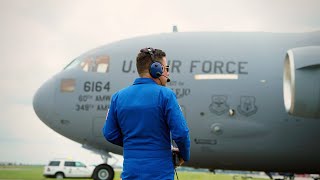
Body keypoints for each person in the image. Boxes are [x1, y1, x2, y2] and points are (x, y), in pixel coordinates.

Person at [102, 47, 190, 180]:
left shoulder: (117, 97)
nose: (168, 73)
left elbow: (109, 133)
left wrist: (133, 143)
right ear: (157, 69)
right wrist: (184, 155)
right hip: (160, 175)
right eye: (166, 68)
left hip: (130, 175)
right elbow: (181, 133)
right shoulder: (166, 95)